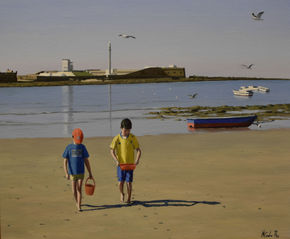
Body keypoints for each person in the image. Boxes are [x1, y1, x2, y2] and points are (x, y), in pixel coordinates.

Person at [110, 118, 141, 203]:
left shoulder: (132, 138)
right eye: (125, 130)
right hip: (121, 165)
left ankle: (129, 198)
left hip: (130, 165)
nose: (126, 132)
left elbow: (138, 150)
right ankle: (122, 193)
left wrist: (137, 160)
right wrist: (116, 160)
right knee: (120, 183)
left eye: (128, 130)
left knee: (129, 183)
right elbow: (111, 150)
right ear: (121, 128)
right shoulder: (117, 138)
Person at [63, 128, 93, 211]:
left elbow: (86, 161)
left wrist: (90, 172)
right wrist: (66, 173)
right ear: (72, 137)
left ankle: (79, 206)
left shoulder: (82, 147)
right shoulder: (69, 147)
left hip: (81, 172)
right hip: (72, 173)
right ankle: (77, 202)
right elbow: (65, 160)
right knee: (74, 190)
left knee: (79, 188)